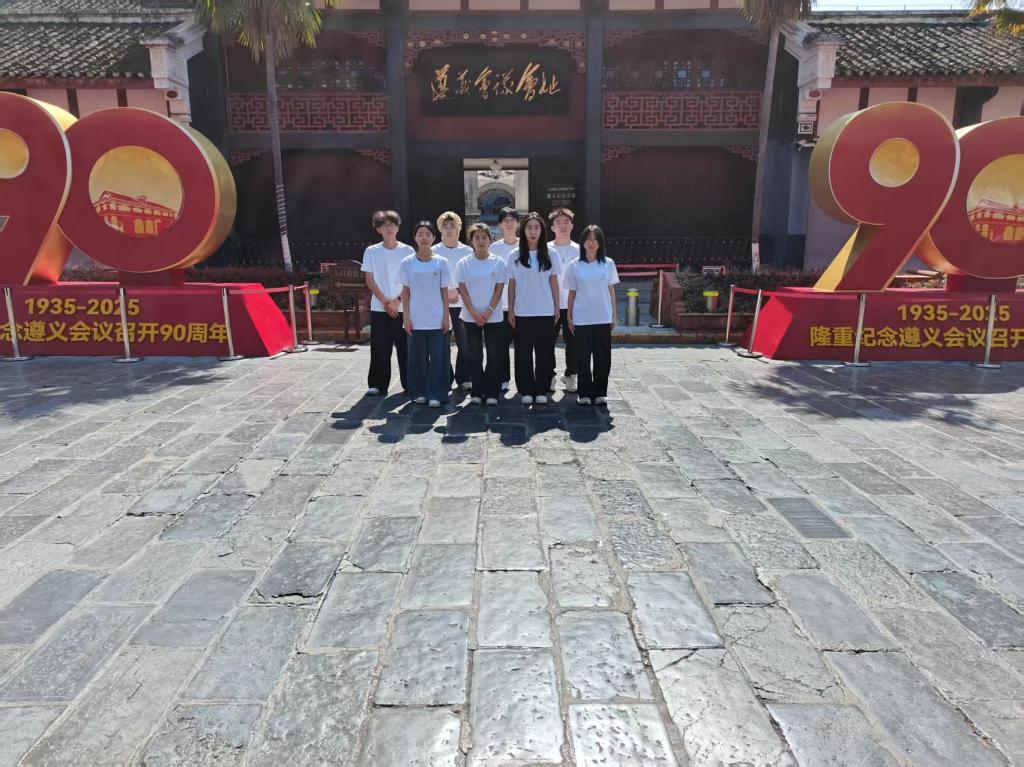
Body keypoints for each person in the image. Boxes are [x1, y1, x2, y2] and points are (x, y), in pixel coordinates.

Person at [397, 221, 452, 408]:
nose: (424, 237)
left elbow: (444, 291)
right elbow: (405, 292)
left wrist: (446, 316)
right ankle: (418, 392)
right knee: (417, 358)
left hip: (436, 317)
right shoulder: (407, 262)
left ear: (434, 237)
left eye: (428, 234)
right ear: (414, 238)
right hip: (415, 317)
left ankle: (437, 393)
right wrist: (406, 317)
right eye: (420, 234)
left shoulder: (441, 262)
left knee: (439, 358)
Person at [507, 212, 560, 405]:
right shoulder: (514, 255)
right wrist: (511, 309)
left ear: (542, 230)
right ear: (523, 230)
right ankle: (526, 389)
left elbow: (553, 281)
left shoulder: (551, 254)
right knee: (523, 353)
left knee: (545, 352)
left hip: (545, 310)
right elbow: (512, 284)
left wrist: (556, 307)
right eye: (529, 227)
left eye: (537, 227)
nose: (533, 231)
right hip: (522, 311)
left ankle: (541, 389)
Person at [361, 210, 415, 396]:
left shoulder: (408, 251)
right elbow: (369, 279)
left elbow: (410, 280)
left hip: (402, 307)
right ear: (378, 230)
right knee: (380, 348)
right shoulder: (371, 251)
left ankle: (410, 383)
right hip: (380, 308)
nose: (389, 228)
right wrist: (386, 302)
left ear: (398, 228)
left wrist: (397, 301)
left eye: (392, 224)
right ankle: (377, 384)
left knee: (405, 348)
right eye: (384, 225)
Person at [565, 225, 619, 406]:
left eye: (595, 239)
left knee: (602, 357)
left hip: (602, 316)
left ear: (600, 243)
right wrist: (569, 316)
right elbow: (572, 293)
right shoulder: (574, 265)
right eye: (588, 239)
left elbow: (611, 290)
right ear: (582, 242)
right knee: (583, 357)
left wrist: (614, 314)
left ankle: (600, 392)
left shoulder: (608, 264)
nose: (591, 243)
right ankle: (585, 393)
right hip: (582, 317)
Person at [456, 223, 508, 406]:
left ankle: (492, 391)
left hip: (493, 316)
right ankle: (477, 391)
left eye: (484, 237)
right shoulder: (464, 263)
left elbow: (499, 289)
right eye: (476, 237)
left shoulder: (498, 262)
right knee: (474, 355)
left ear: (490, 240)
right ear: (471, 241)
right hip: (470, 316)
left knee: (494, 355)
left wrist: (488, 312)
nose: (481, 241)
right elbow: (462, 290)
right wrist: (473, 312)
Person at [432, 212, 474, 392]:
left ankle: (464, 377)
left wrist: (456, 290)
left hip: (462, 304)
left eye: (452, 227)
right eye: (445, 227)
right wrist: (446, 293)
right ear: (440, 230)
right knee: (442, 344)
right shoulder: (434, 251)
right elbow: (430, 277)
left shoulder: (467, 251)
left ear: (459, 229)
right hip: (440, 304)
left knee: (465, 344)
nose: (449, 230)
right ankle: (445, 378)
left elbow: (471, 277)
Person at [489, 207, 520, 393]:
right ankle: (503, 378)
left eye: (512, 220)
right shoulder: (494, 248)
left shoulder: (524, 246)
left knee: (522, 346)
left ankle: (523, 380)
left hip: (522, 304)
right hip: (500, 305)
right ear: (500, 225)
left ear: (517, 223)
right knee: (500, 345)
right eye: (505, 220)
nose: (509, 223)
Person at [548, 207, 580, 393]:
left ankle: (571, 375)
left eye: (566, 222)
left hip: (573, 304)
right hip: (549, 304)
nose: (562, 226)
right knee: (547, 342)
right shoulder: (545, 249)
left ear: (572, 226)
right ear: (552, 227)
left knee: (573, 343)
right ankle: (549, 376)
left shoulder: (579, 249)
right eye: (558, 222)